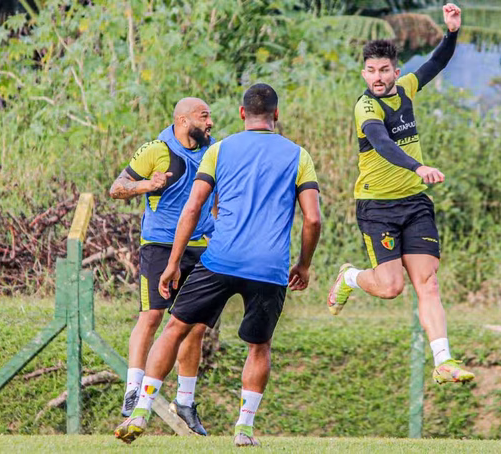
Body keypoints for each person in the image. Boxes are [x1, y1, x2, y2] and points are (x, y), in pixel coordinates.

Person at [114, 83, 322, 447]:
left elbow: (193, 208)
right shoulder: (298, 155)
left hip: (220, 258)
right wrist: (303, 265)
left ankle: (142, 409)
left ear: (242, 113)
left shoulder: (220, 150)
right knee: (259, 346)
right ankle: (244, 429)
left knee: (174, 328)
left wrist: (174, 262)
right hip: (270, 267)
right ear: (276, 114)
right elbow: (313, 219)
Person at [327, 2, 473, 385]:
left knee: (429, 283)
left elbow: (436, 62)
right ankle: (350, 277)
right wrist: (417, 167)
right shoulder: (365, 107)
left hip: (415, 204)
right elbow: (381, 143)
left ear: (396, 71)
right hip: (377, 207)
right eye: (371, 71)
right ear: (364, 73)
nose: (377, 77)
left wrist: (452, 32)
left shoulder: (406, 88)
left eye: (384, 70)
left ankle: (443, 362)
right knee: (391, 287)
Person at [108, 97, 216, 436]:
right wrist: (147, 185)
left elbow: (218, 196)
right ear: (183, 121)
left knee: (195, 326)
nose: (210, 122)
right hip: (159, 244)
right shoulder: (157, 149)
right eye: (204, 116)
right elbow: (117, 188)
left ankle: (185, 401)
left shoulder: (214, 151)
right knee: (152, 316)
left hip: (200, 246)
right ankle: (133, 391)